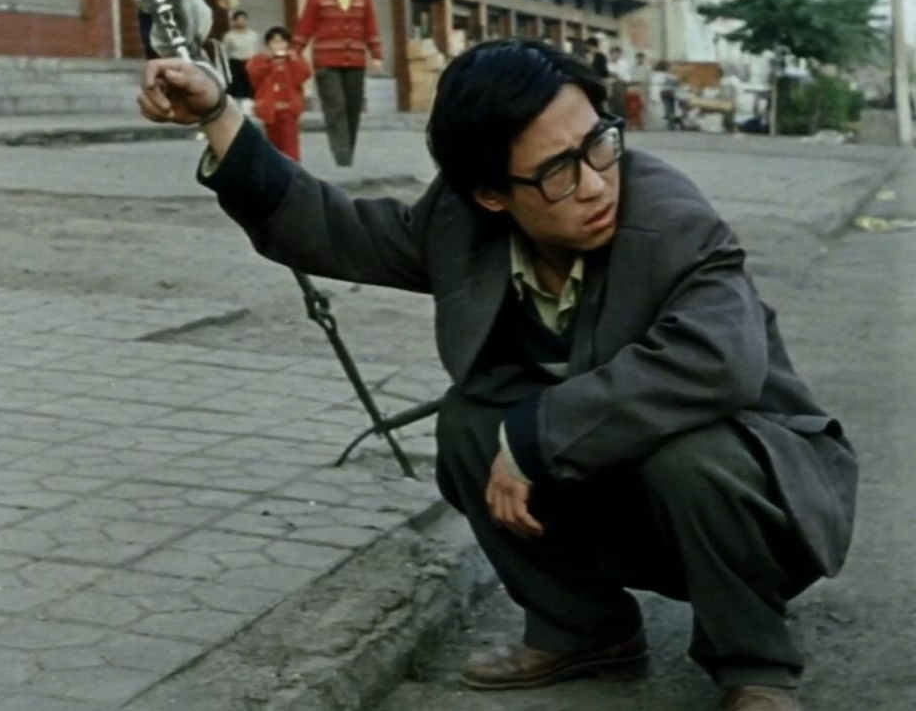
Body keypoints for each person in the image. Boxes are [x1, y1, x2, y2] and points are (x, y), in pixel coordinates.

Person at [136, 39, 857, 711]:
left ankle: (755, 665)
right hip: (626, 485)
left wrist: (537, 436)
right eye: (557, 171)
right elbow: (337, 230)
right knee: (469, 423)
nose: (596, 184)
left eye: (599, 142)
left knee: (685, 453)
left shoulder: (670, 217)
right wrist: (218, 114)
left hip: (762, 500)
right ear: (490, 194)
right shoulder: (461, 222)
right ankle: (585, 630)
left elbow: (719, 360)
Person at [292, 0, 383, 167]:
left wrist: (377, 55)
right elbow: (306, 24)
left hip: (356, 61)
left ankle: (347, 153)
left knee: (352, 109)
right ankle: (342, 159)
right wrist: (295, 50)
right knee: (336, 107)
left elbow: (370, 25)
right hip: (326, 61)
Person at [246, 26, 311, 161]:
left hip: (288, 109)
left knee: (289, 145)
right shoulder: (260, 60)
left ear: (288, 44)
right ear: (268, 44)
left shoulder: (294, 59)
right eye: (274, 42)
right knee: (272, 145)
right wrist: (270, 62)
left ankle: (291, 170)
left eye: (282, 41)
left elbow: (304, 75)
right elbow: (253, 75)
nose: (278, 45)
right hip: (270, 109)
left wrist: (293, 59)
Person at [222, 10, 261, 110]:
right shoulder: (229, 36)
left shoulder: (253, 35)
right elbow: (224, 52)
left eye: (243, 19)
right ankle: (237, 107)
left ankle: (251, 107)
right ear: (234, 21)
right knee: (237, 87)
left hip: (251, 63)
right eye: (238, 20)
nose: (241, 22)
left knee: (251, 85)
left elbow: (257, 49)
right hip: (235, 64)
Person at [627, 51, 652, 129]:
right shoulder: (632, 67)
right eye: (638, 58)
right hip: (633, 89)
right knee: (633, 107)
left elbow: (647, 79)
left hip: (643, 89)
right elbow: (630, 78)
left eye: (641, 58)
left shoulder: (647, 68)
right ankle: (633, 123)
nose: (639, 60)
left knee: (643, 107)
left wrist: (639, 82)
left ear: (643, 59)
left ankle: (643, 123)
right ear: (636, 59)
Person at [607, 46, 631, 118]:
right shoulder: (608, 63)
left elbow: (619, 75)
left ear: (619, 54)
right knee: (612, 104)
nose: (614, 55)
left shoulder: (623, 63)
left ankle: (622, 118)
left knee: (620, 103)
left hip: (621, 84)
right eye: (612, 53)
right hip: (611, 85)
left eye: (616, 53)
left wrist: (612, 74)